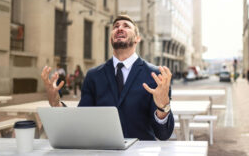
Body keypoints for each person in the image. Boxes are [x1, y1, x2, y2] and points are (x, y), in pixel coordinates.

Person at [41, 14, 174, 140]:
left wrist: (163, 107)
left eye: (126, 26)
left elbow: (163, 134)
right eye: (116, 26)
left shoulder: (156, 76)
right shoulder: (93, 76)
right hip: (103, 150)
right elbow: (82, 121)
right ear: (111, 38)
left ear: (137, 39)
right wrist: (56, 103)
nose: (120, 28)